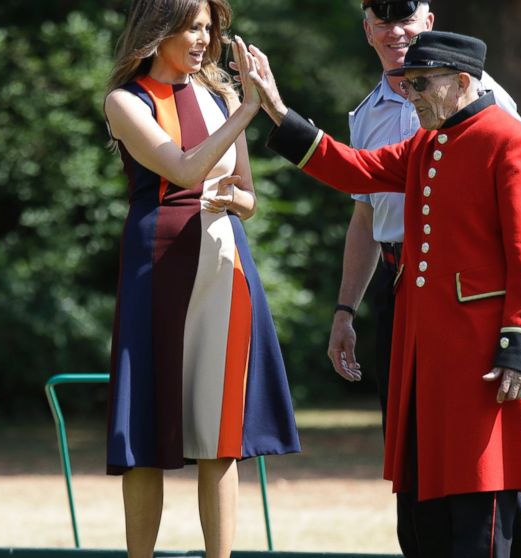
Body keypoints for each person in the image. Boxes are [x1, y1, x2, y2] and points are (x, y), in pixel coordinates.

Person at [244, 31, 521, 557]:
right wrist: (278, 112)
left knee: (481, 494)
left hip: (481, 353)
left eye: (420, 83)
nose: (409, 94)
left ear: (461, 81)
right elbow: (354, 168)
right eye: (406, 83)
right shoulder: (426, 143)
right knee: (423, 495)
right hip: (425, 351)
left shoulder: (508, 139)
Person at [102, 2, 300, 557]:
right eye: (192, 27)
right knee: (145, 429)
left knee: (220, 433)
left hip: (224, 263)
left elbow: (249, 198)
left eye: (208, 29)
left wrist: (234, 198)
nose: (202, 39)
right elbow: (184, 169)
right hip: (156, 263)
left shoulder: (221, 97)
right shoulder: (125, 100)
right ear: (159, 29)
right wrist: (250, 109)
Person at [328, 1, 521, 434]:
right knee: (404, 435)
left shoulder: (483, 96)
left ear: (429, 22)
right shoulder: (365, 115)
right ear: (367, 31)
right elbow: (365, 219)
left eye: (406, 19)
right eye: (383, 22)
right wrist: (345, 310)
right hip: (397, 285)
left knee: (465, 435)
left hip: (465, 292)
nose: (396, 32)